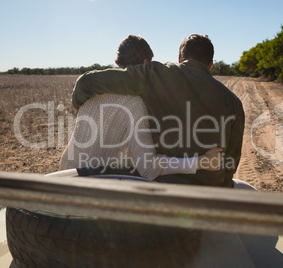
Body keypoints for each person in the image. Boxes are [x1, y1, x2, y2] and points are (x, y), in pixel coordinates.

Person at [71, 34, 245, 188]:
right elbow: (230, 164)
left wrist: (79, 106)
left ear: (180, 57)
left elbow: (85, 82)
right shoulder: (233, 102)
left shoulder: (157, 75)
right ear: (211, 64)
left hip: (163, 188)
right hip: (212, 192)